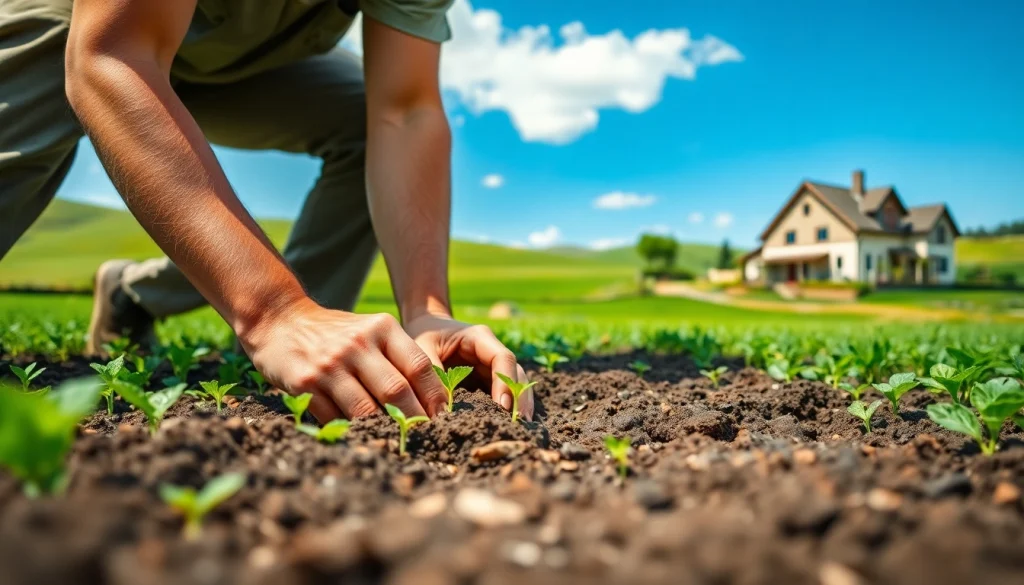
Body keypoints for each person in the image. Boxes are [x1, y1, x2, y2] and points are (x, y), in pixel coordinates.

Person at [0, 0, 533, 422]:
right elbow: (112, 55)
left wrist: (426, 310)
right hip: (84, 24)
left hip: (244, 63)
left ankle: (144, 297)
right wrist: (273, 311)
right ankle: (287, 325)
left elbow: (404, 111)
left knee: (362, 118)